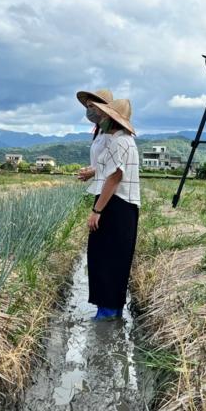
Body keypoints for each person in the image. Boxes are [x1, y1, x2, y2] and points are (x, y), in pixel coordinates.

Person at [86, 98, 141, 321]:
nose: (100, 118)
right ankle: (112, 312)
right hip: (123, 207)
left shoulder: (119, 142)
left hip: (115, 206)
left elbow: (114, 177)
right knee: (116, 258)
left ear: (112, 118)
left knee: (105, 259)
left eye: (104, 115)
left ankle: (106, 314)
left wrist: (97, 210)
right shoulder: (125, 140)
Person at [75, 88, 114, 183]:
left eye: (91, 106)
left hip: (109, 186)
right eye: (87, 107)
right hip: (100, 185)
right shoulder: (100, 131)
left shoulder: (112, 132)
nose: (88, 110)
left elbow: (115, 164)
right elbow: (100, 162)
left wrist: (93, 172)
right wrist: (89, 169)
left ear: (102, 107)